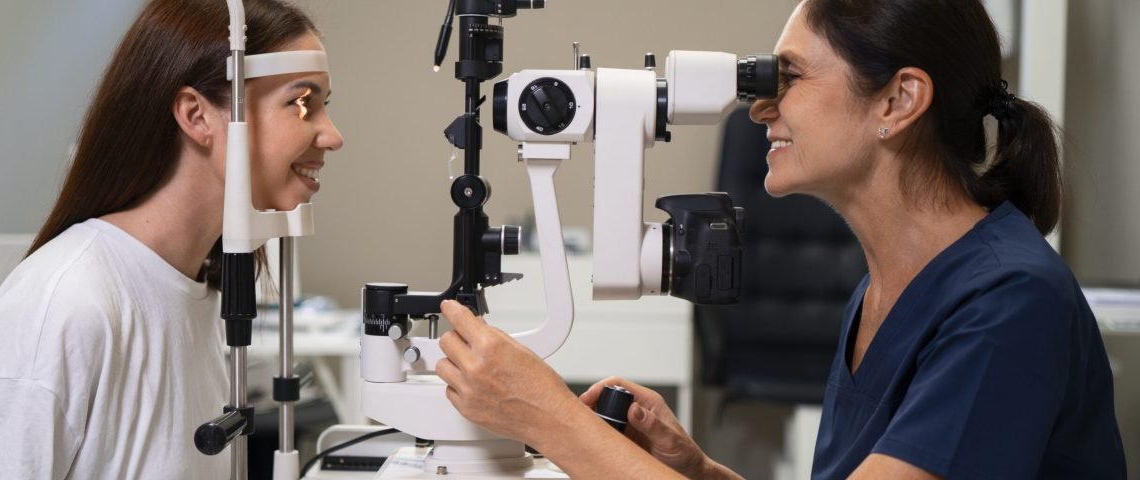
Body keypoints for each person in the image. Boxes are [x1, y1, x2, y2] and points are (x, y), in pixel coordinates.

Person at [434, 0, 1127, 478]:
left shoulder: (1007, 305)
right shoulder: (887, 287)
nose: (760, 106)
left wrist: (549, 417)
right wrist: (698, 470)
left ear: (897, 102)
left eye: (787, 77)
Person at [0, 0, 342, 477]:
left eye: (324, 106)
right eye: (302, 103)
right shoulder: (63, 306)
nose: (332, 135)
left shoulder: (198, 293)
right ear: (197, 115)